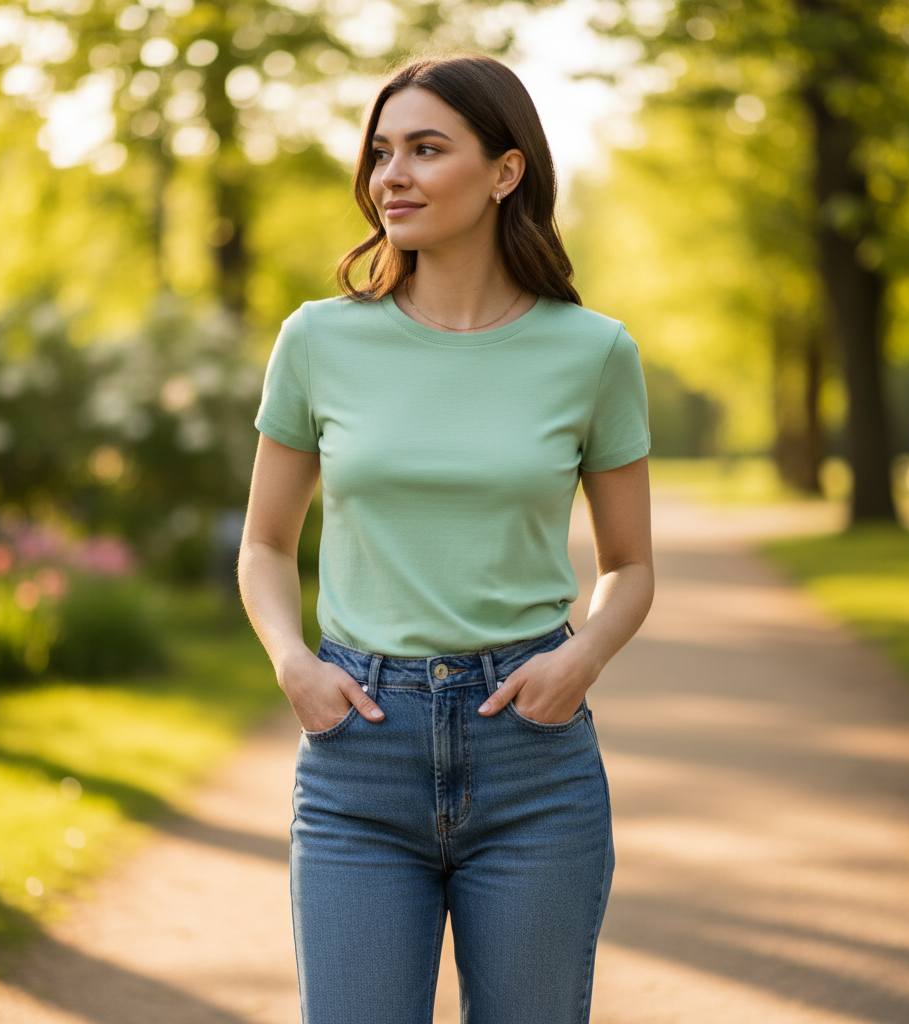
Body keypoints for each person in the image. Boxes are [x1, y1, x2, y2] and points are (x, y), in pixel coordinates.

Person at [238, 52, 654, 1024]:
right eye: (381, 152)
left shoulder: (592, 351)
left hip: (531, 755)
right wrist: (293, 662)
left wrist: (582, 659)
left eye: (426, 149)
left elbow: (631, 566)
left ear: (505, 171)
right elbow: (265, 544)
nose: (392, 175)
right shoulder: (318, 340)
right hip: (359, 751)